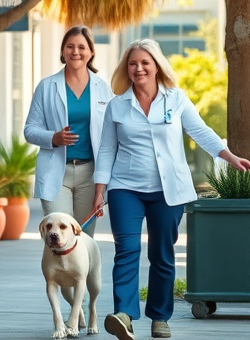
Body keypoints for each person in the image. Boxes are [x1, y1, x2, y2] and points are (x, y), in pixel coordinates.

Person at [95, 39, 250, 340]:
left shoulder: (175, 99)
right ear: (126, 69)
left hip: (168, 191)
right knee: (126, 250)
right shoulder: (117, 104)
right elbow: (106, 150)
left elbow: (200, 131)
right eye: (132, 64)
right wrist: (101, 190)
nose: (138, 68)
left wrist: (228, 155)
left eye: (144, 63)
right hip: (125, 187)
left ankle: (159, 317)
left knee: (162, 254)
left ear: (156, 66)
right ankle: (124, 314)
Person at [24, 26, 113, 236]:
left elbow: (112, 134)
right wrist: (53, 138)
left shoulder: (103, 88)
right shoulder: (46, 86)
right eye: (70, 46)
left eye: (82, 47)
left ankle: (85, 272)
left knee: (83, 238)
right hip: (57, 171)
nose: (76, 51)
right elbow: (30, 130)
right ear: (63, 52)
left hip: (90, 174)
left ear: (91, 52)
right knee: (58, 236)